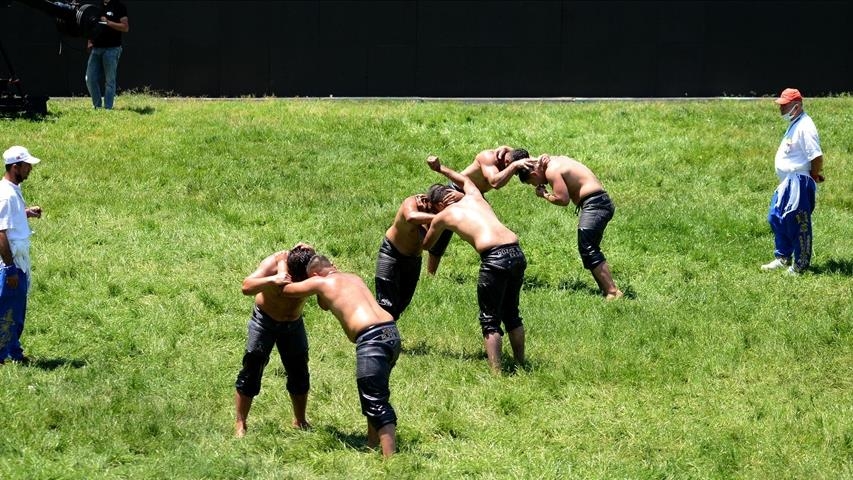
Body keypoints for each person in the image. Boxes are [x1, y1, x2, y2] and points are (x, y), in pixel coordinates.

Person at [282, 255, 402, 458]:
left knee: (376, 400)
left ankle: (391, 461)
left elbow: (286, 290)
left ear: (314, 275)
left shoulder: (320, 281)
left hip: (371, 339)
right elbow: (325, 304)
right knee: (373, 393)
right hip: (391, 334)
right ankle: (372, 444)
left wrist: (281, 264)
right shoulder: (353, 277)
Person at [422, 156, 526, 374]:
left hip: (494, 258)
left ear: (440, 204)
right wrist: (440, 168)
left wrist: (423, 222)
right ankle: (520, 363)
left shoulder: (444, 215)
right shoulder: (474, 195)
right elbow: (463, 178)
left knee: (490, 320)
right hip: (516, 252)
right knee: (512, 314)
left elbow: (426, 245)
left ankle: (497, 373)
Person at [233, 243, 316, 437]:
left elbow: (324, 301)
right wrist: (272, 279)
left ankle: (300, 420)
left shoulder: (311, 268)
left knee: (299, 370)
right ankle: (240, 423)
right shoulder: (274, 262)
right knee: (252, 366)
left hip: (293, 324)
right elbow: (246, 286)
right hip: (264, 321)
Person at [516, 154, 623, 300]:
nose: (534, 185)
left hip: (596, 204)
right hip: (599, 201)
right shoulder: (554, 160)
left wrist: (545, 194)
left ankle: (613, 292)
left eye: (531, 182)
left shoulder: (551, 171)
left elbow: (562, 199)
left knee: (588, 247)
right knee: (587, 247)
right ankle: (607, 291)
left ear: (534, 174)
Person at [425, 146, 534, 274]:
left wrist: (510, 150)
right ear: (507, 162)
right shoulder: (488, 157)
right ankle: (430, 275)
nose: (512, 173)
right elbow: (495, 182)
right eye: (511, 167)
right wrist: (514, 166)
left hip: (474, 194)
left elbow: (529, 159)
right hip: (457, 191)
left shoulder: (509, 155)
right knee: (442, 234)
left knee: (488, 227)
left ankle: (497, 262)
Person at [760, 88, 825, 275]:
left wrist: (813, 175)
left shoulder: (806, 126)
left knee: (798, 222)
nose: (780, 108)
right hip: (788, 182)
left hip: (798, 183)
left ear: (796, 107)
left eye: (784, 105)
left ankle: (801, 264)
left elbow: (816, 156)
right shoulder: (796, 124)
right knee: (776, 217)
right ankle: (782, 257)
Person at [0, 146, 42, 365]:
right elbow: (0, 233)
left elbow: (8, 219)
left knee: (16, 310)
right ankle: (2, 356)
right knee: (7, 311)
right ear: (15, 166)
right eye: (27, 166)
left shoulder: (12, 189)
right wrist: (10, 269)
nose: (30, 169)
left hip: (19, 260)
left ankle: (14, 352)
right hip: (11, 262)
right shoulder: (6, 195)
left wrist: (25, 213)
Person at [375, 193, 435, 320]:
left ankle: (387, 333)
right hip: (391, 253)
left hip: (413, 260)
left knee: (401, 304)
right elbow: (411, 217)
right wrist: (439, 217)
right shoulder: (411, 202)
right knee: (386, 304)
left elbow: (427, 244)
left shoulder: (435, 218)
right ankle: (380, 336)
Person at [85, 0, 129, 109]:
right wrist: (90, 41)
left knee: (109, 81)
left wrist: (108, 22)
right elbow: (92, 26)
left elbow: (125, 27)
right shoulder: (96, 7)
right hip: (96, 49)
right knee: (89, 79)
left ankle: (108, 108)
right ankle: (97, 106)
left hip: (112, 49)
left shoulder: (119, 6)